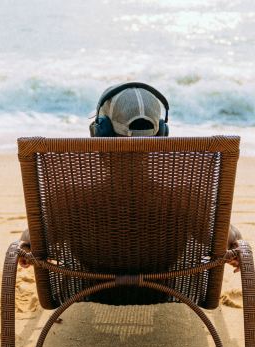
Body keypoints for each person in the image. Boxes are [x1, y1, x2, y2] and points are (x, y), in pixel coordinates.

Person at [19, 82, 241, 272]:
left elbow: (33, 240)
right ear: (161, 135)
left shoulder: (67, 200)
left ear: (100, 134)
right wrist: (236, 240)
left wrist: (25, 245)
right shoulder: (185, 199)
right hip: (161, 290)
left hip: (90, 289)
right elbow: (225, 238)